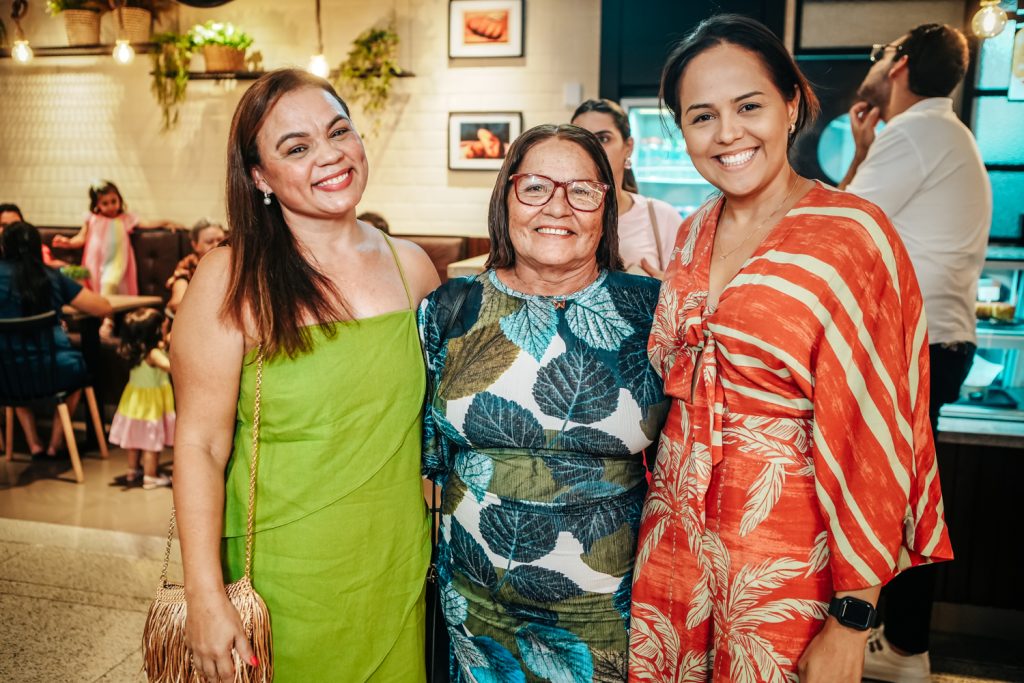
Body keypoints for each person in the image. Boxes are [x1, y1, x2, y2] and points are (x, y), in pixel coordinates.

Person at [628, 15, 952, 683]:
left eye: (749, 106)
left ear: (792, 104)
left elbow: (875, 438)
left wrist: (851, 619)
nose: (728, 134)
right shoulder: (689, 234)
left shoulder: (850, 236)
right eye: (702, 116)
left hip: (784, 564)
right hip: (675, 550)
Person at [171, 68, 440, 682]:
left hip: (395, 560)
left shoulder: (413, 268)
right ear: (261, 177)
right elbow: (200, 445)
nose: (330, 156)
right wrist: (204, 596)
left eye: (338, 131)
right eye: (297, 147)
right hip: (281, 574)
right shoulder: (231, 276)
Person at [420, 123, 668, 680]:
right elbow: (429, 463)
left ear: (608, 206)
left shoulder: (651, 313)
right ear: (506, 196)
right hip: (474, 608)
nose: (558, 206)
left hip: (609, 614)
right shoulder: (448, 311)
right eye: (534, 187)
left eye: (582, 190)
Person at [839, 24, 991, 683]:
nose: (874, 67)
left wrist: (864, 150)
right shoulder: (940, 134)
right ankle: (900, 640)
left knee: (894, 499)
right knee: (905, 493)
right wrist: (862, 148)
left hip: (917, 346)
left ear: (898, 64)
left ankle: (903, 646)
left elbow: (837, 230)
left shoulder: (917, 133)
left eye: (880, 55)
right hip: (937, 343)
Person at [0, 222, 111, 458]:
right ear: (37, 247)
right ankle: (55, 443)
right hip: (54, 371)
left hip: (5, 375)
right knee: (79, 369)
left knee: (12, 368)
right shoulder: (51, 277)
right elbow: (102, 307)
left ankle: (33, 444)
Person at [571, 99, 684, 277]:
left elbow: (691, 294)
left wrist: (668, 289)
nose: (591, 149)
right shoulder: (559, 217)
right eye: (581, 141)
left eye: (603, 139)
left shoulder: (662, 217)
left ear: (628, 147)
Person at [51, 180, 180, 296]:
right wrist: (68, 242)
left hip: (115, 264)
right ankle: (104, 318)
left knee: (109, 285)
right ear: (97, 205)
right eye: (105, 203)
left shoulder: (125, 219)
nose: (111, 206)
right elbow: (81, 238)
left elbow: (147, 224)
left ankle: (108, 320)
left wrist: (166, 222)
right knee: (95, 289)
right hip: (94, 263)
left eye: (114, 201)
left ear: (120, 199)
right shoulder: (92, 219)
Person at [108, 307, 174, 489]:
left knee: (135, 438)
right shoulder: (153, 354)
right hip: (151, 405)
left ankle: (133, 469)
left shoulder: (133, 350)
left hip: (134, 401)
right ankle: (150, 476)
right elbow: (170, 366)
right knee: (151, 441)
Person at [165, 218, 227, 314]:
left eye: (220, 240)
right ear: (195, 245)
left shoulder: (234, 263)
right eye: (209, 242)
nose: (217, 245)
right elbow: (178, 302)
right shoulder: (188, 265)